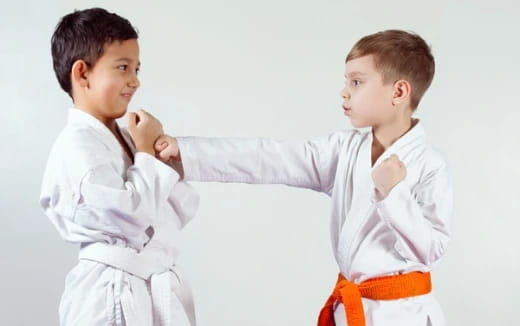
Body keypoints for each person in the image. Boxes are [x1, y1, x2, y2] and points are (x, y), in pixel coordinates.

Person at [155, 30, 453, 326]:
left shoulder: (429, 165)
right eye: (346, 81)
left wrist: (394, 195)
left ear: (399, 92)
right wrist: (187, 151)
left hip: (404, 314)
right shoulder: (345, 150)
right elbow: (271, 158)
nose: (345, 92)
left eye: (357, 82)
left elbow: (431, 250)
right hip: (352, 309)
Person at [40, 8, 199, 326]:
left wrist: (155, 153)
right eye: (123, 67)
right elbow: (131, 219)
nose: (135, 81)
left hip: (149, 287)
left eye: (137, 68)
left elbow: (182, 209)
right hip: (107, 297)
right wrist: (145, 154)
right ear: (82, 73)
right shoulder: (76, 146)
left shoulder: (128, 137)